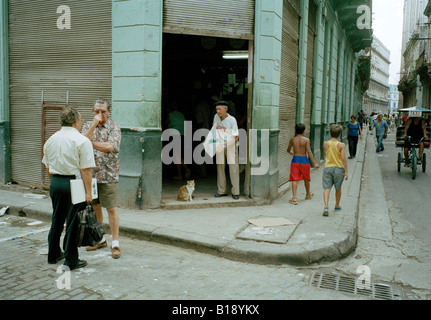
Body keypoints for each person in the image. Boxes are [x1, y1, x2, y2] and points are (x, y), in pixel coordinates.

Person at [42, 107, 95, 270]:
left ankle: (53, 254)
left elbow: (48, 167)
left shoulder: (51, 139)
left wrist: (54, 184)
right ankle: (71, 259)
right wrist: (88, 192)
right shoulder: (81, 140)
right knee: (73, 222)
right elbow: (86, 169)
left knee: (57, 219)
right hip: (74, 183)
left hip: (56, 182)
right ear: (76, 122)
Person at [82, 99, 122, 259]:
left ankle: (116, 243)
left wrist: (89, 143)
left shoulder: (114, 127)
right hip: (91, 175)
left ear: (109, 111)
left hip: (109, 174)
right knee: (96, 207)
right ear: (93, 111)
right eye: (97, 111)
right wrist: (93, 125)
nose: (100, 115)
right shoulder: (87, 125)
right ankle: (100, 239)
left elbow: (110, 147)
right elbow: (81, 142)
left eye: (103, 111)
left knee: (111, 208)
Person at [213, 100, 240, 200]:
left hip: (231, 145)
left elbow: (236, 137)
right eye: (216, 109)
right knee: (220, 168)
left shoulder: (232, 120)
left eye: (220, 109)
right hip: (220, 144)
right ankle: (222, 191)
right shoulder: (216, 117)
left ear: (226, 109)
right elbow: (214, 128)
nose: (218, 111)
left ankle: (235, 192)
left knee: (233, 169)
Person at [287, 123, 319, 205]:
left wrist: (292, 153)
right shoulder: (306, 140)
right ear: (304, 131)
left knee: (294, 179)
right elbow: (309, 152)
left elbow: (288, 150)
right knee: (306, 178)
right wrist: (314, 163)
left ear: (295, 130)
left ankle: (294, 198)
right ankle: (308, 194)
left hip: (295, 160)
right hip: (304, 160)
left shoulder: (292, 140)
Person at [322, 124, 348, 217]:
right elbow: (343, 158)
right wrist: (346, 171)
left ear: (329, 133)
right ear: (340, 135)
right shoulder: (341, 145)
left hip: (328, 167)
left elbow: (325, 153)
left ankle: (326, 206)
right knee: (338, 188)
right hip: (339, 168)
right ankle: (337, 205)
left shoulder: (325, 143)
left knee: (327, 188)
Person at [166, 101, 190, 180]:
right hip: (183, 135)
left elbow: (166, 124)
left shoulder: (170, 115)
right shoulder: (181, 114)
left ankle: (181, 173)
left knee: (176, 155)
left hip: (174, 135)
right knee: (180, 154)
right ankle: (185, 170)